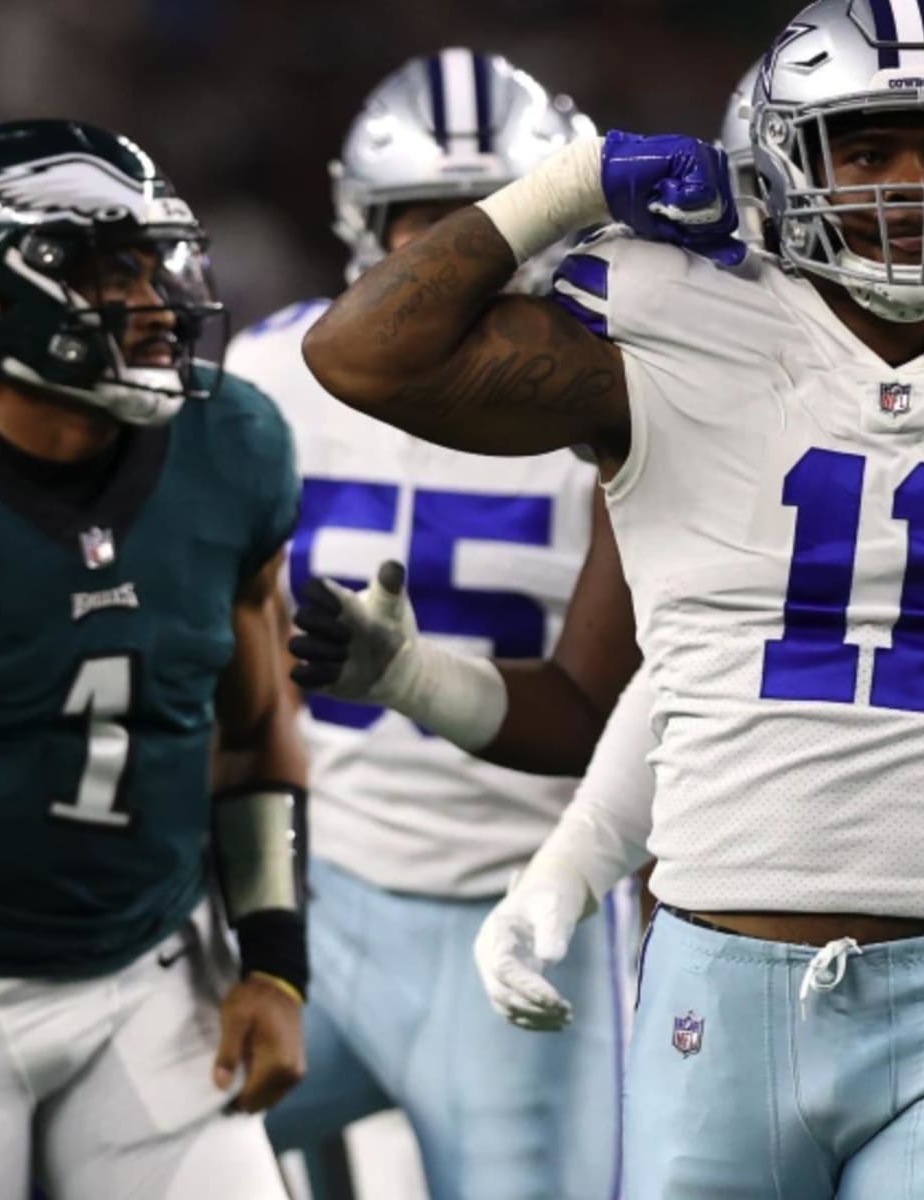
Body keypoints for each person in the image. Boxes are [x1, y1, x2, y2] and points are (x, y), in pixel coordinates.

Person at [291, 0, 924, 1191]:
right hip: (714, 993)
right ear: (784, 165)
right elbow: (360, 357)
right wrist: (571, 182)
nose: (914, 187)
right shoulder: (685, 324)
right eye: (868, 149)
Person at [224, 48, 636, 1200]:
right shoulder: (268, 372)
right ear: (367, 229)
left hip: (529, 908)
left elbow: (623, 698)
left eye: (485, 221)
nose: (454, 256)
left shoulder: (626, 389)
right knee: (126, 1140)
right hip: (329, 902)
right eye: (424, 225)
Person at [0, 119, 308, 1200]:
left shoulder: (231, 444)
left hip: (150, 973)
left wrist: (276, 960)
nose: (156, 302)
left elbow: (254, 732)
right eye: (111, 272)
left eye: (156, 264)